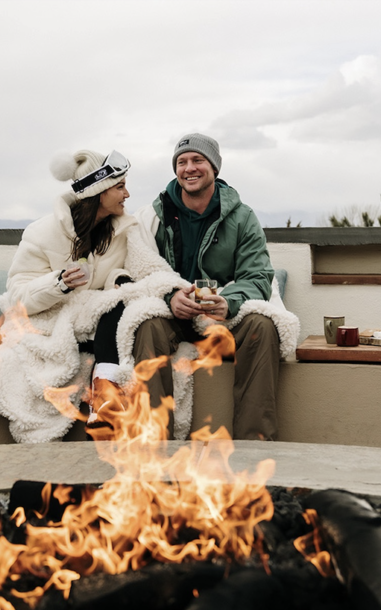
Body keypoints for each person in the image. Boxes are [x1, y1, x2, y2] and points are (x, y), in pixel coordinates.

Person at [0, 150, 185, 443]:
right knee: (111, 307)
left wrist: (121, 279)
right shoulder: (41, 233)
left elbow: (149, 271)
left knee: (122, 305)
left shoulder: (126, 229)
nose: (127, 194)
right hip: (55, 324)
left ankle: (105, 405)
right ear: (99, 192)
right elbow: (18, 297)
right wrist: (59, 284)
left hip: (104, 323)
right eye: (120, 187)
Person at [134, 133, 298, 441]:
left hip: (222, 317)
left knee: (262, 326)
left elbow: (258, 276)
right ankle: (153, 447)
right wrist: (169, 296)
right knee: (146, 327)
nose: (189, 168)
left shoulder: (242, 217)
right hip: (174, 317)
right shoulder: (154, 215)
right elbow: (140, 269)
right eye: (182, 162)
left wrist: (229, 302)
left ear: (214, 167)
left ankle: (255, 447)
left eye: (198, 160)